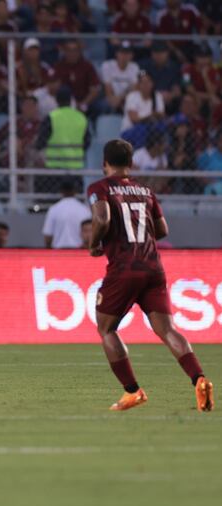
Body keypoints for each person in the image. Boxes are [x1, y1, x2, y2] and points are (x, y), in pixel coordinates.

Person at [87, 138, 214, 412]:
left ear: (104, 164)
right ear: (131, 164)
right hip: (153, 267)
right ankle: (199, 379)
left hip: (124, 268)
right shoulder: (146, 190)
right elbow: (163, 229)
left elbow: (102, 219)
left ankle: (133, 392)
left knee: (107, 328)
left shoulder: (99, 188)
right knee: (168, 330)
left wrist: (94, 243)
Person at [36, 86, 90, 170]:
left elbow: (40, 141)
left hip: (55, 166)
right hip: (75, 166)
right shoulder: (81, 117)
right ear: (71, 100)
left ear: (56, 100)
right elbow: (87, 141)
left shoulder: (51, 117)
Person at [42, 180, 91, 248]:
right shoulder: (84, 209)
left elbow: (47, 236)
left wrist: (48, 251)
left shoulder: (54, 209)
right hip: (79, 251)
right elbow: (90, 235)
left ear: (61, 191)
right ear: (75, 191)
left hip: (58, 251)